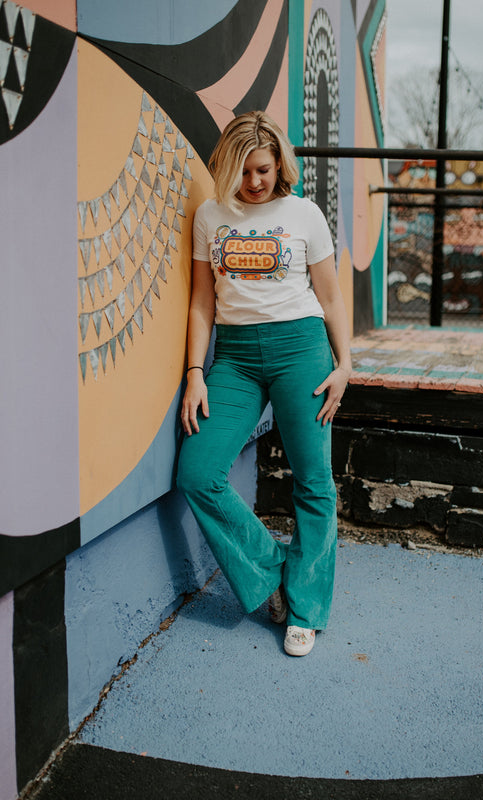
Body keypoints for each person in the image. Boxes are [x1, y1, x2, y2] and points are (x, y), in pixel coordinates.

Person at [177, 111, 351, 656]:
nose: (254, 183)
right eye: (245, 172)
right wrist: (194, 374)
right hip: (233, 357)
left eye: (264, 170)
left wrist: (345, 363)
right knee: (197, 471)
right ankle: (276, 570)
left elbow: (331, 296)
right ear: (228, 167)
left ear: (280, 165)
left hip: (301, 348)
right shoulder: (210, 215)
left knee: (314, 480)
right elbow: (202, 301)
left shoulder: (303, 214)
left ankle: (304, 607)